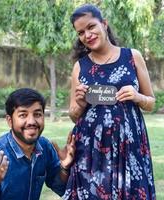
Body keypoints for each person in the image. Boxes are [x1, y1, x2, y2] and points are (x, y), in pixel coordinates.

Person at [64, 3, 156, 200]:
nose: (87, 35)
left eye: (91, 27)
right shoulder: (80, 67)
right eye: (81, 32)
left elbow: (151, 103)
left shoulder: (132, 57)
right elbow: (73, 115)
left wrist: (137, 96)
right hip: (91, 149)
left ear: (104, 24)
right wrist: (79, 104)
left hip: (128, 145)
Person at [0, 88, 75, 200]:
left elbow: (60, 187)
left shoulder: (44, 147)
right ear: (9, 121)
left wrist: (64, 167)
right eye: (23, 115)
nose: (32, 121)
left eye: (37, 114)